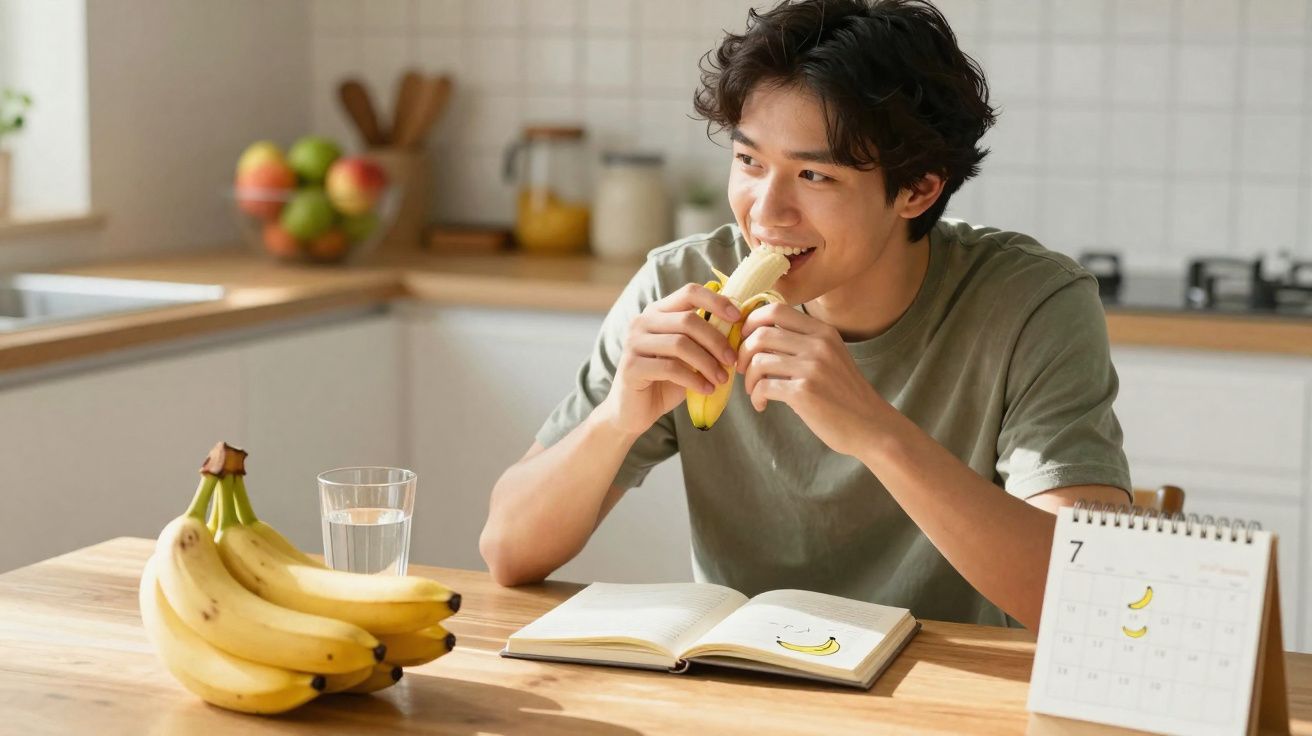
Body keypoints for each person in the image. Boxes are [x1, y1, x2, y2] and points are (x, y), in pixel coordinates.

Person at [479, 0, 1131, 630]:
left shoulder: (1031, 305)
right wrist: (615, 420)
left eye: (814, 177)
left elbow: (1090, 596)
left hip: (946, 695)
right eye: (749, 161)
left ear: (919, 188)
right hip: (739, 687)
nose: (766, 210)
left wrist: (876, 432)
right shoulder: (680, 285)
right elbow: (507, 551)